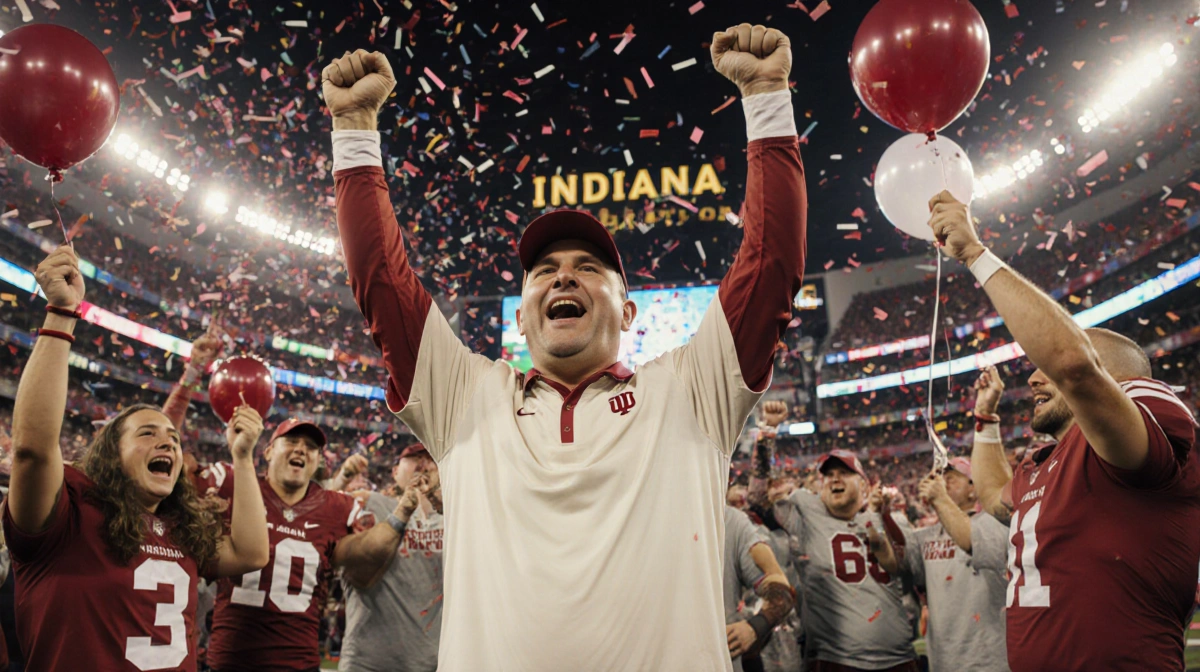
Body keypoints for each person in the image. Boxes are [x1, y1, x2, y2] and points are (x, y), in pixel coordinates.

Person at [324, 21, 807, 670]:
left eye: (588, 265)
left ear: (628, 310)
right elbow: (382, 282)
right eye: (543, 270)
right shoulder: (463, 395)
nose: (562, 275)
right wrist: (354, 131)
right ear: (521, 319)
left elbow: (772, 261)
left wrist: (768, 96)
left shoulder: (692, 391)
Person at [931, 192, 1200, 671]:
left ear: (1115, 380)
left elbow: (1073, 364)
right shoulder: (1046, 463)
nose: (1033, 378)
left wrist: (974, 252)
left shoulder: (1146, 421)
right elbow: (992, 494)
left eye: (1041, 368)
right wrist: (985, 420)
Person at [2, 245, 270, 671]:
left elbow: (253, 553)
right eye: (148, 434)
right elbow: (33, 450)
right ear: (111, 452)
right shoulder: (70, 512)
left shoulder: (180, 528)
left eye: (174, 440)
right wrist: (60, 315)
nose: (168, 443)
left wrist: (243, 456)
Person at [748, 446, 917, 672]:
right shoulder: (807, 514)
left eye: (844, 473)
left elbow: (911, 574)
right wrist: (766, 435)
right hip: (836, 660)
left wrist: (882, 516)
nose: (835, 479)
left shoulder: (891, 519)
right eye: (828, 475)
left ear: (864, 485)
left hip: (899, 659)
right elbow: (757, 498)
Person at [339, 444, 444, 672]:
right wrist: (341, 478)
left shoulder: (453, 517)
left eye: (429, 458)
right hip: (370, 662)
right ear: (395, 471)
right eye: (414, 457)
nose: (423, 463)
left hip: (431, 663)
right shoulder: (369, 501)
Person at [900, 458, 1009, 672]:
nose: (943, 483)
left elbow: (970, 541)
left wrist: (940, 499)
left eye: (952, 478)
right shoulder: (925, 536)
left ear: (973, 488)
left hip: (989, 660)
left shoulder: (995, 523)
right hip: (942, 660)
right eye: (941, 478)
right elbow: (901, 572)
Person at [723, 504, 795, 672]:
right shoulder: (651, 514)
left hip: (718, 656)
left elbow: (780, 589)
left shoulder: (730, 521)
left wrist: (754, 627)